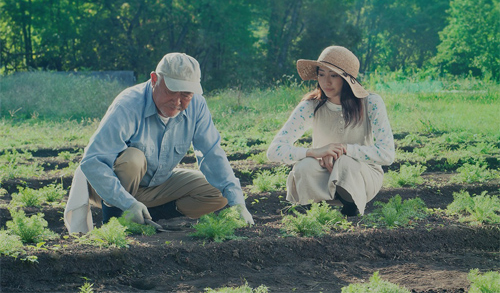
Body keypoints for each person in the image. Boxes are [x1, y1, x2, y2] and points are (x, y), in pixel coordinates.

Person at [64, 52, 253, 233]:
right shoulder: (129, 105)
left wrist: (238, 203)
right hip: (109, 188)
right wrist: (126, 202)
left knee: (220, 193)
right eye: (171, 91)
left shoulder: (198, 106)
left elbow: (212, 153)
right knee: (133, 159)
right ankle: (116, 220)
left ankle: (146, 217)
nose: (177, 101)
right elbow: (93, 160)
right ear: (154, 80)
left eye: (186, 94)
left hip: (156, 185)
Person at [267, 46, 395, 216]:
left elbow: (387, 154)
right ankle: (311, 210)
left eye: (334, 75)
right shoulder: (311, 105)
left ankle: (351, 209)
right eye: (321, 74)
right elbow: (274, 151)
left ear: (347, 79)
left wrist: (344, 149)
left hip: (360, 176)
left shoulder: (370, 103)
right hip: (323, 174)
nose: (326, 82)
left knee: (344, 163)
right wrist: (314, 152)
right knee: (304, 166)